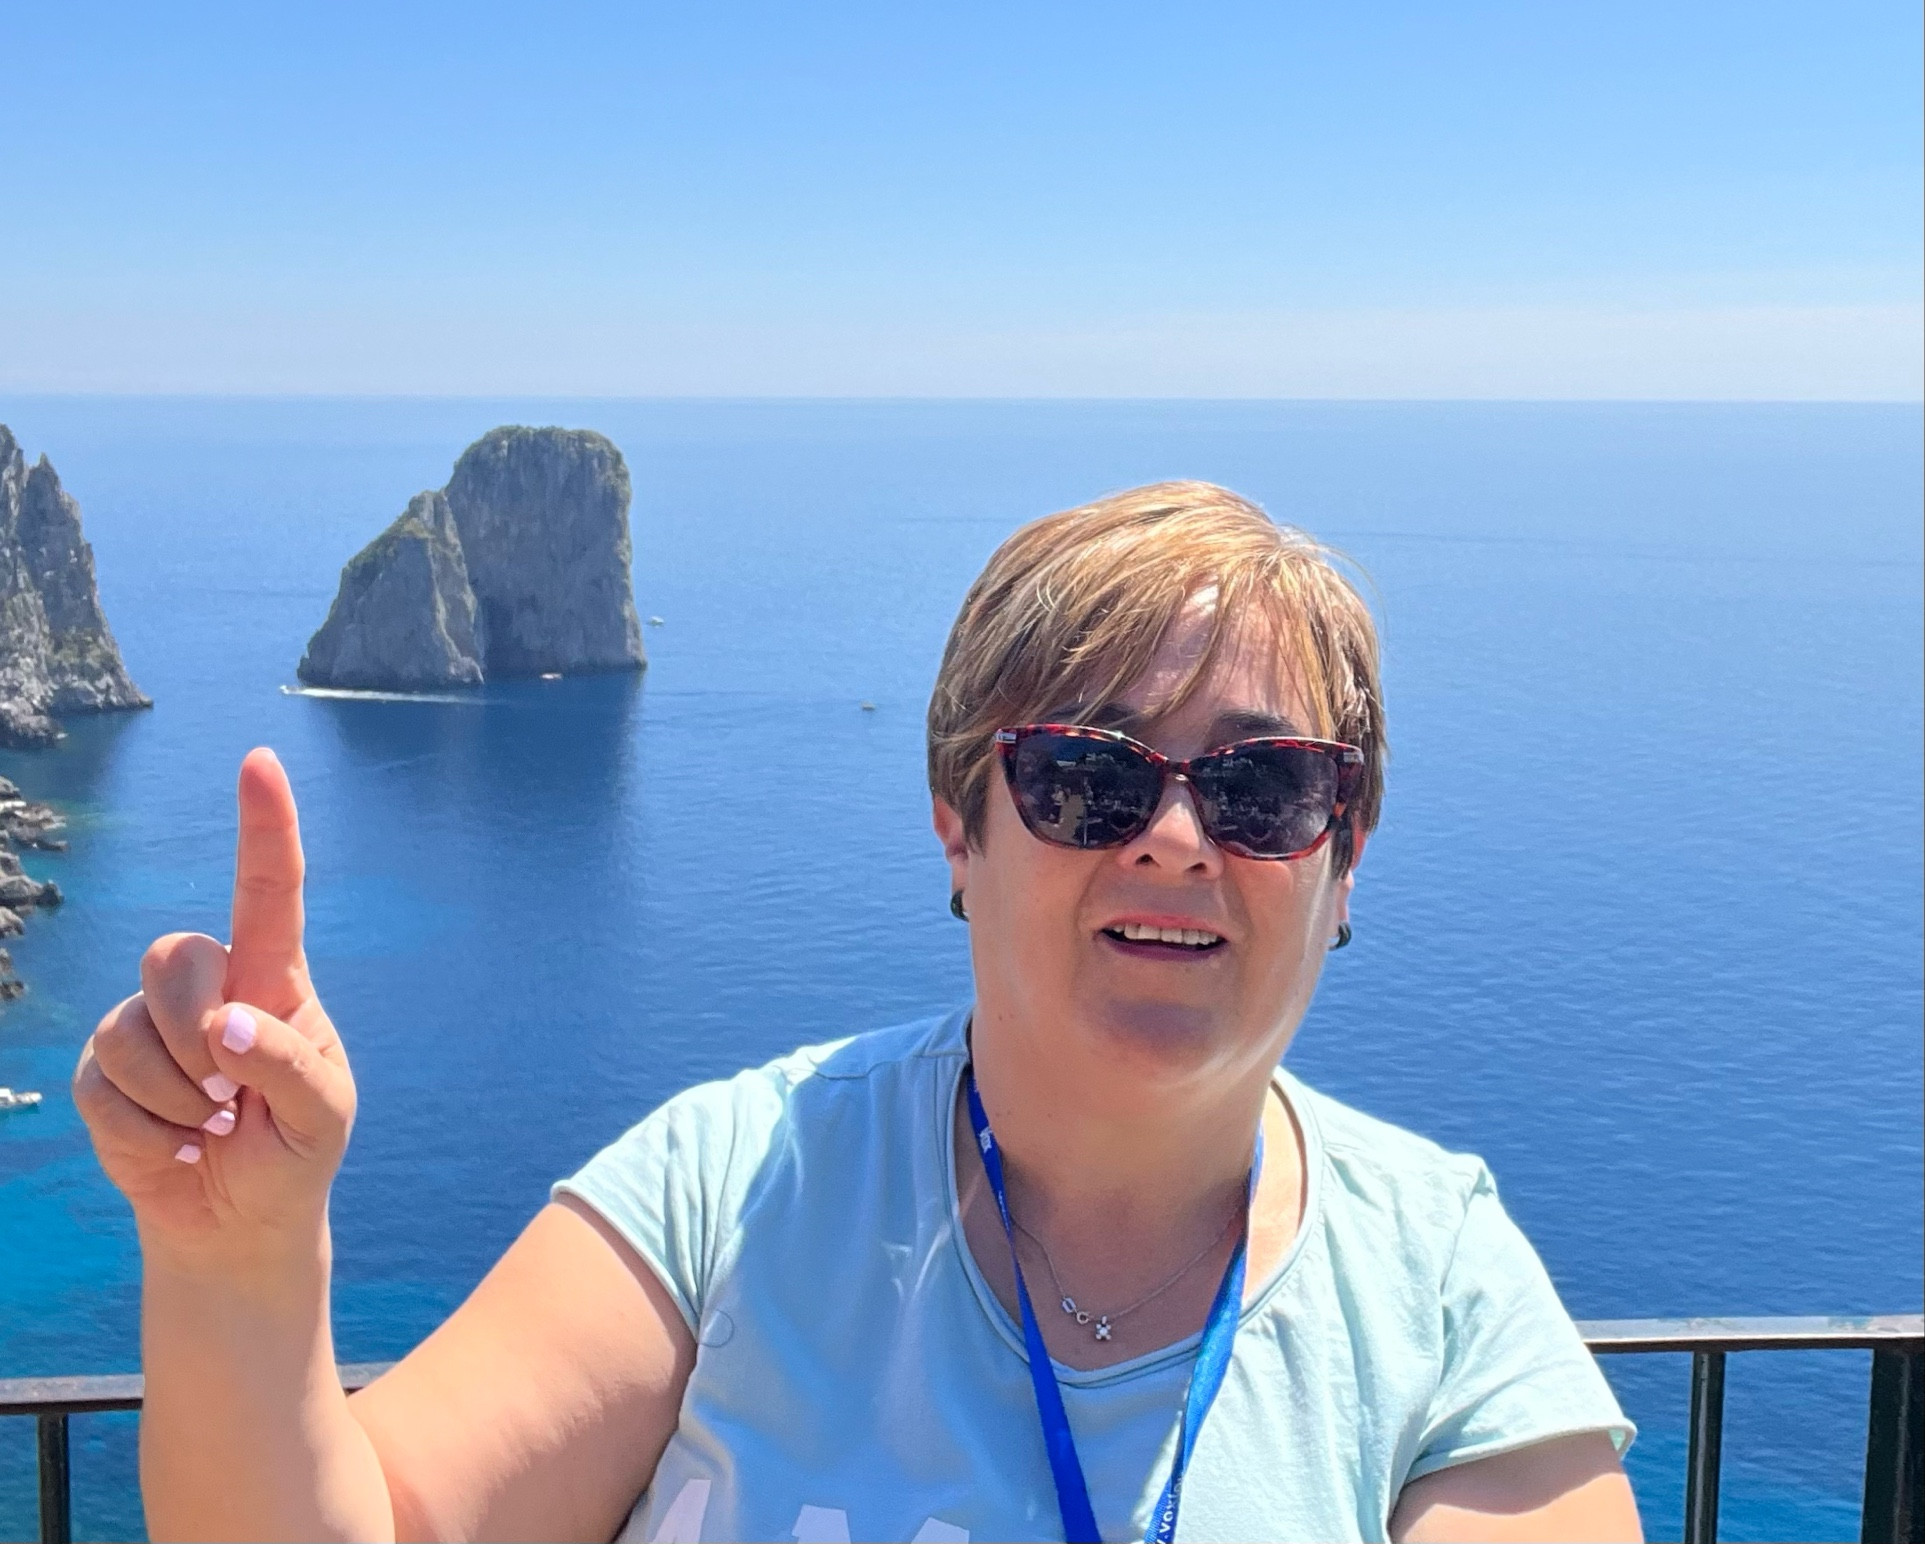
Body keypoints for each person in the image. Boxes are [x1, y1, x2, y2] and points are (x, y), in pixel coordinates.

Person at [75, 480, 1641, 1544]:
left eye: (1262, 786)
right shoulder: (732, 1184)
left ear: (1343, 854)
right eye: (1083, 775)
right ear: (959, 823)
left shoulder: (1436, 1289)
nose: (1173, 838)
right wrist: (240, 1266)